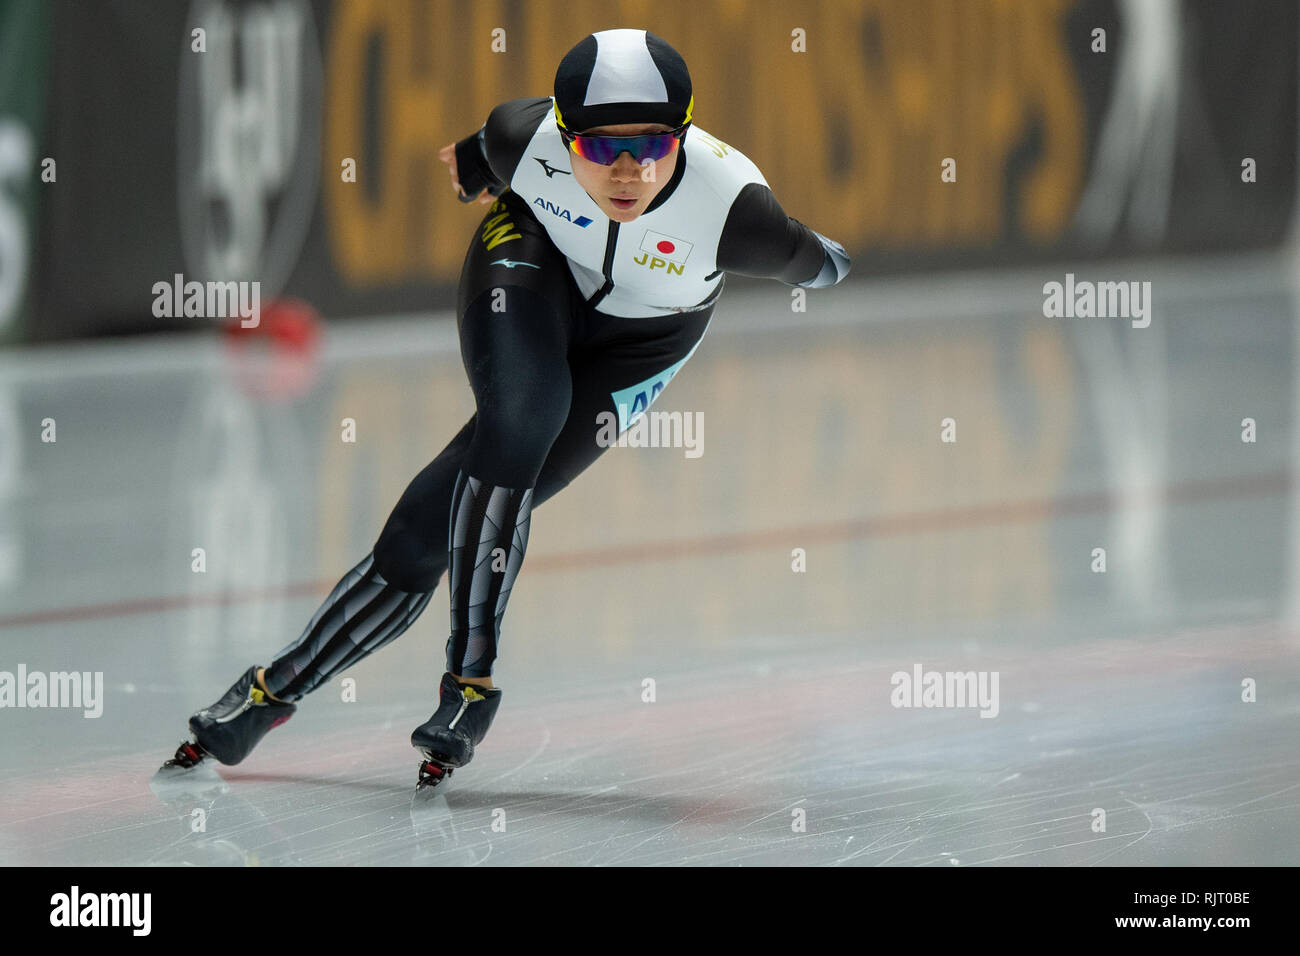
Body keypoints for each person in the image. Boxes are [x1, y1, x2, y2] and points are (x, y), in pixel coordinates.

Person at [160, 28, 850, 788]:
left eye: (651, 147)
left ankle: (269, 691)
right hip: (532, 260)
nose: (626, 171)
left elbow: (824, 263)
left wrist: (827, 259)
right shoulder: (524, 138)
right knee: (526, 411)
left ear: (684, 137)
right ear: (563, 134)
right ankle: (472, 686)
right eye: (597, 150)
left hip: (643, 344)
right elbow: (478, 153)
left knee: (424, 535)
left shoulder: (739, 218)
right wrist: (467, 166)